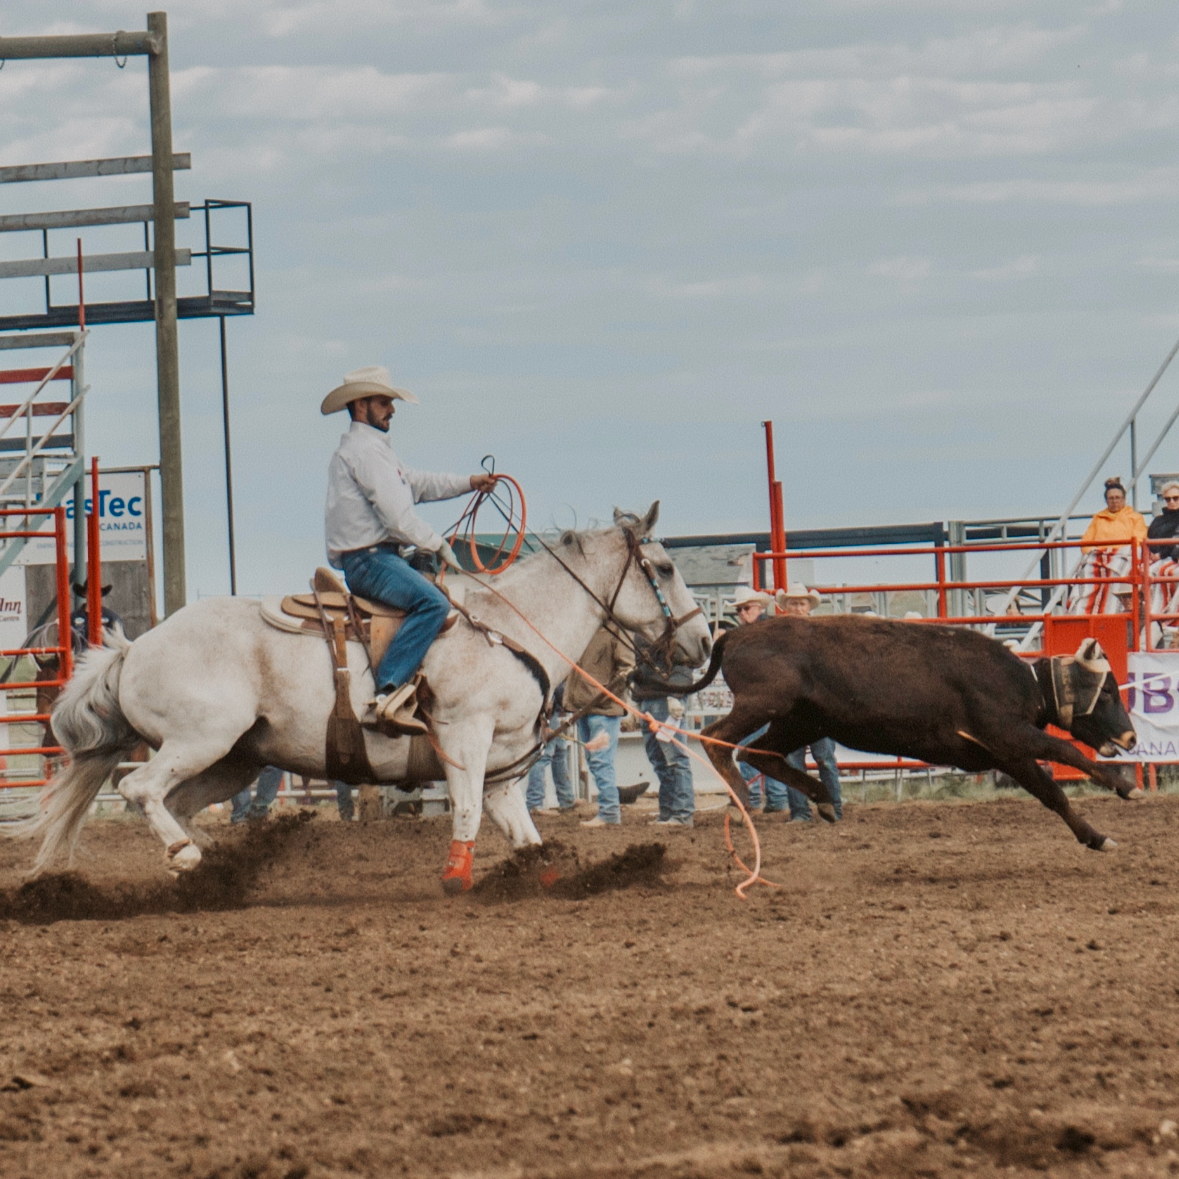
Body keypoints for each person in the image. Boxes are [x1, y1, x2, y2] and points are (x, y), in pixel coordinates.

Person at [322, 366, 496, 734]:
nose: (392, 410)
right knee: (434, 603)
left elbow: (416, 483)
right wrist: (437, 543)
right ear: (360, 405)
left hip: (376, 557)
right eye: (384, 402)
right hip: (370, 561)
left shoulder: (373, 451)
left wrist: (469, 483)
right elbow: (398, 517)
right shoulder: (365, 452)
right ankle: (389, 691)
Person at [771, 583, 843, 822]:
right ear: (786, 607)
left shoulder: (820, 635)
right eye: (793, 603)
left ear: (808, 607)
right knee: (795, 761)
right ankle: (801, 812)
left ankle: (833, 810)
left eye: (801, 604)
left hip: (816, 706)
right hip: (793, 706)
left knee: (825, 760)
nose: (797, 608)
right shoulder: (778, 636)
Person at [564, 627, 635, 827]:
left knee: (601, 760)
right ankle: (608, 809)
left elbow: (627, 670)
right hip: (585, 707)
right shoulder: (586, 629)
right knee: (595, 760)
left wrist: (607, 698)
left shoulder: (615, 632)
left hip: (602, 710)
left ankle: (610, 811)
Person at [728, 586, 788, 813]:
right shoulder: (769, 630)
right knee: (766, 748)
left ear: (759, 608)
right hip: (763, 699)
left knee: (750, 746)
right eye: (740, 610)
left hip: (759, 699)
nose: (743, 613)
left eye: (746, 608)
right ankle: (775, 799)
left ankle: (757, 799)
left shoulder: (762, 632)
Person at [630, 634, 695, 828]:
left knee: (674, 760)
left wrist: (675, 694)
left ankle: (682, 814)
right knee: (661, 762)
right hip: (651, 701)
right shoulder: (642, 637)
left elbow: (684, 668)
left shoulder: (675, 635)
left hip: (665, 700)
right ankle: (669, 812)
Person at [1070, 477, 1147, 614]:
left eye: (1118, 498)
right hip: (1100, 557)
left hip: (1123, 555)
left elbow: (1139, 540)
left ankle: (1114, 608)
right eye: (1111, 498)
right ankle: (1082, 609)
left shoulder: (1135, 517)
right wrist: (1101, 552)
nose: (1115, 501)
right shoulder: (1098, 518)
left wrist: (1115, 551)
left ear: (1124, 499)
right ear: (1106, 500)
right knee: (1085, 571)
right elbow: (1086, 543)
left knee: (1124, 568)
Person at [525, 684, 576, 814]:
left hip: (550, 710)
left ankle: (567, 799)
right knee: (543, 755)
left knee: (559, 753)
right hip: (547, 711)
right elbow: (558, 687)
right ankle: (535, 803)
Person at [1147, 482, 1179, 645]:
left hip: (1173, 559)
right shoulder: (1158, 521)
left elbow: (1175, 544)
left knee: (1171, 574)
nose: (1172, 502)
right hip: (1158, 560)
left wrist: (1161, 554)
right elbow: (1150, 539)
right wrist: (1154, 553)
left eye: (1176, 498)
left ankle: (1169, 617)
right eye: (1168, 499)